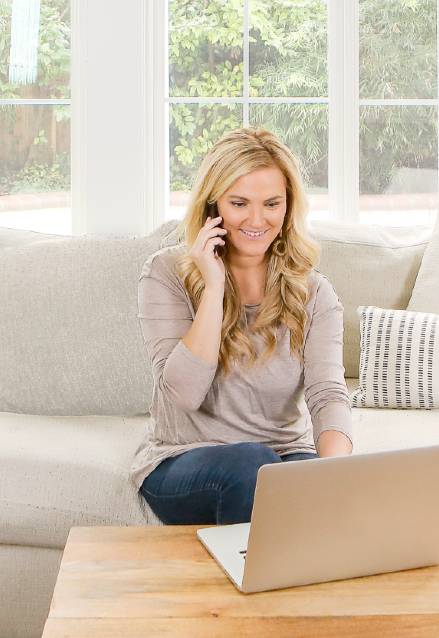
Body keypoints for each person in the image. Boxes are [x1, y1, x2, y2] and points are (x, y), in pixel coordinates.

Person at [129, 127, 353, 525]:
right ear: (213, 206)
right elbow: (184, 394)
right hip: (182, 460)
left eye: (271, 204)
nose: (257, 219)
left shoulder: (315, 292)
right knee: (253, 465)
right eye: (239, 203)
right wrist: (213, 288)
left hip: (283, 455)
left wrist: (337, 474)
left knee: (294, 480)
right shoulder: (165, 273)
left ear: (288, 208)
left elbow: (327, 394)